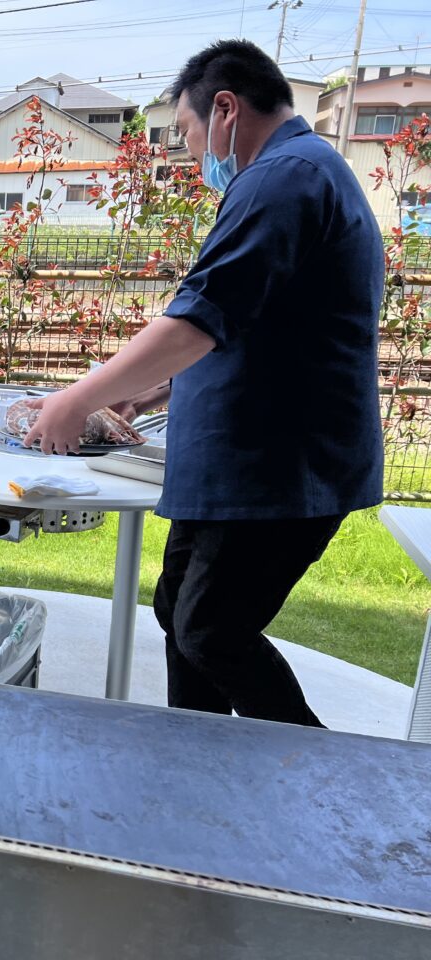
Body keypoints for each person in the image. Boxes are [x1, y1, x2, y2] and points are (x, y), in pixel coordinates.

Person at [22, 40, 384, 726]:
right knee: (179, 613)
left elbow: (199, 318)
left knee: (212, 631)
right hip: (239, 467)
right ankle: (196, 761)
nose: (193, 158)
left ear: (225, 109)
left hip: (275, 471)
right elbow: (254, 322)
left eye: (187, 134)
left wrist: (77, 399)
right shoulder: (293, 173)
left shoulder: (286, 177)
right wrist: (153, 391)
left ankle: (324, 769)